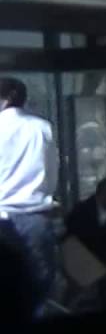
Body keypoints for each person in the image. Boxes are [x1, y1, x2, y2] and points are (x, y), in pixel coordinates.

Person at [0, 78, 59, 317]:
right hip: (35, 215)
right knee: (39, 283)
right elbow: (52, 169)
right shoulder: (41, 127)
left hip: (1, 215)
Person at [64, 177, 106, 304]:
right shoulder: (82, 210)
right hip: (79, 255)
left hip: (100, 254)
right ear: (104, 195)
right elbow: (83, 238)